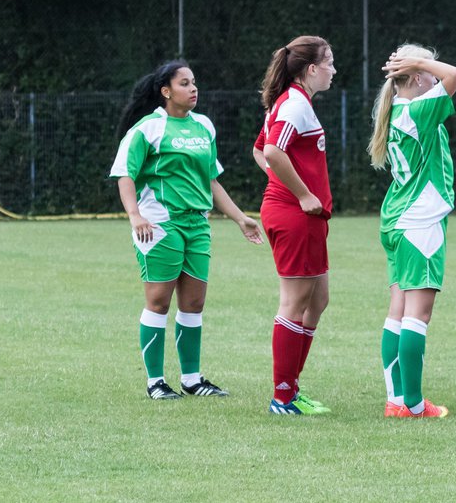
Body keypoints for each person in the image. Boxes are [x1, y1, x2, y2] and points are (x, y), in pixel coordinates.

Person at [111, 60, 262, 400]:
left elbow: (210, 181)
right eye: (184, 83)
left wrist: (240, 218)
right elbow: (125, 174)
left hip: (197, 224)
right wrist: (135, 216)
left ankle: (192, 380)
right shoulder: (148, 129)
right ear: (166, 91)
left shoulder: (204, 127)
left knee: (194, 303)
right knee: (159, 301)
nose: (193, 89)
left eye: (194, 82)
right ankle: (155, 383)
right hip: (159, 224)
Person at [370, 44, 456, 419]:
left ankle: (396, 400)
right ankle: (412, 403)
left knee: (397, 311)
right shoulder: (418, 109)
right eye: (427, 67)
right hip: (419, 222)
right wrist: (421, 61)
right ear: (418, 75)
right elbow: (455, 75)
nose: (433, 72)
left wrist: (417, 63)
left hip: (397, 218)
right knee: (417, 315)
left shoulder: (396, 111)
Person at [255, 36, 337, 415]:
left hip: (306, 216)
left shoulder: (291, 102)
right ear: (311, 69)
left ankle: (292, 387)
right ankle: (282, 395)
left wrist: (288, 184)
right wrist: (300, 193)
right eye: (329, 63)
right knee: (293, 304)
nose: (334, 70)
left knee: (317, 301)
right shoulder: (293, 104)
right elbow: (271, 151)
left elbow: (260, 148)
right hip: (295, 215)